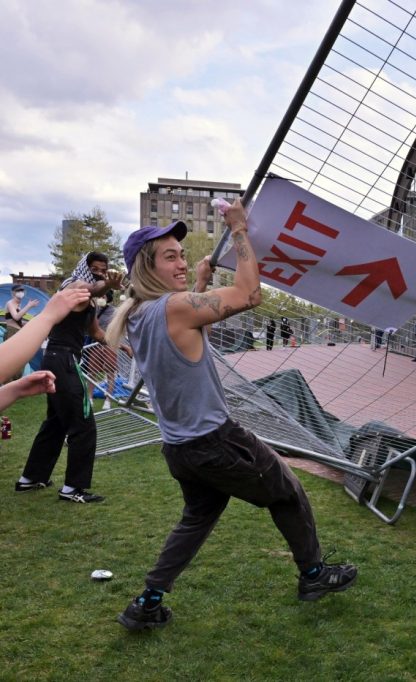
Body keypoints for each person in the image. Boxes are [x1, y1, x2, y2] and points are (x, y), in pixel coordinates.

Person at [105, 203, 357, 632]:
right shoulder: (174, 308)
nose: (182, 261)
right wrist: (239, 229)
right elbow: (250, 294)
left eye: (181, 254)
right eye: (170, 256)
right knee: (288, 491)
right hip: (216, 442)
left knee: (197, 518)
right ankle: (314, 576)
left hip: (181, 449)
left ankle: (147, 601)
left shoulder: (139, 315)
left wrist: (200, 282)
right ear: (147, 267)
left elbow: (188, 336)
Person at [16, 253, 121, 502]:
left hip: (60, 358)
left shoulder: (89, 302)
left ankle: (30, 478)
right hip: (63, 359)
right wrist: (107, 284)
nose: (99, 273)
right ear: (84, 269)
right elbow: (93, 287)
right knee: (83, 423)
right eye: (94, 268)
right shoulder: (74, 286)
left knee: (56, 422)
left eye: (103, 270)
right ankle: (73, 488)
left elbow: (95, 331)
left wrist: (119, 345)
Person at [0, 286, 92, 411]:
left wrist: (17, 390)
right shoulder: (10, 303)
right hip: (13, 331)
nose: (21, 293)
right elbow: (15, 318)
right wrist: (48, 316)